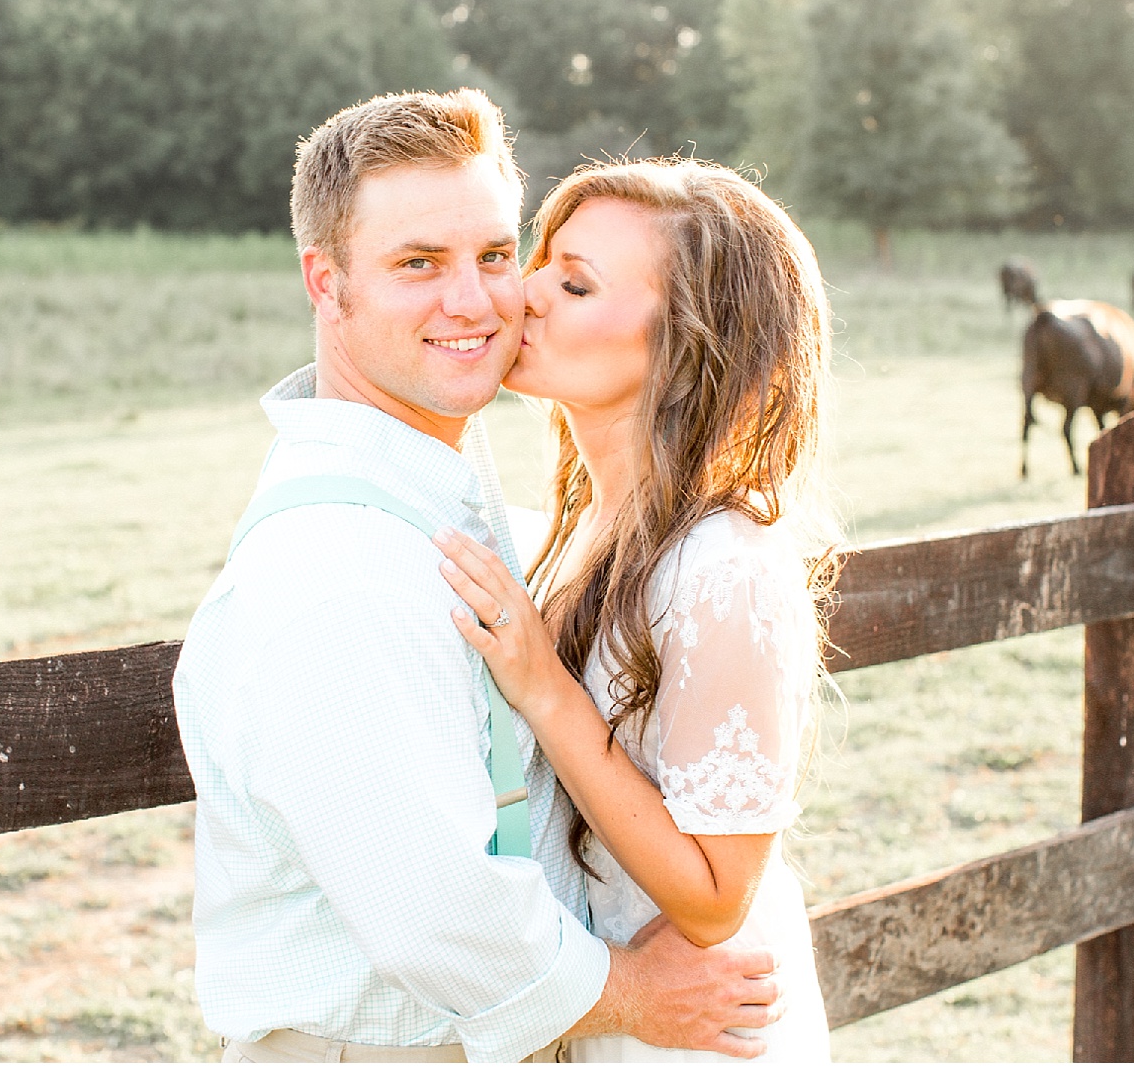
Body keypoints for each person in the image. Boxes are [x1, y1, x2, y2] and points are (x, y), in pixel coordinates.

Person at [171, 90, 785, 1064]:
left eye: (497, 255)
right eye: (419, 263)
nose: (479, 300)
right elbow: (438, 912)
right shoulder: (340, 573)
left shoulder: (464, 510)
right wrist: (637, 993)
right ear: (327, 283)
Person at [433, 158, 839, 1061]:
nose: (524, 293)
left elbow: (716, 897)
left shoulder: (722, 565)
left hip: (697, 1030)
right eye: (541, 262)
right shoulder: (583, 524)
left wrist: (544, 685)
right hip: (616, 1003)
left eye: (574, 284)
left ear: (686, 344)